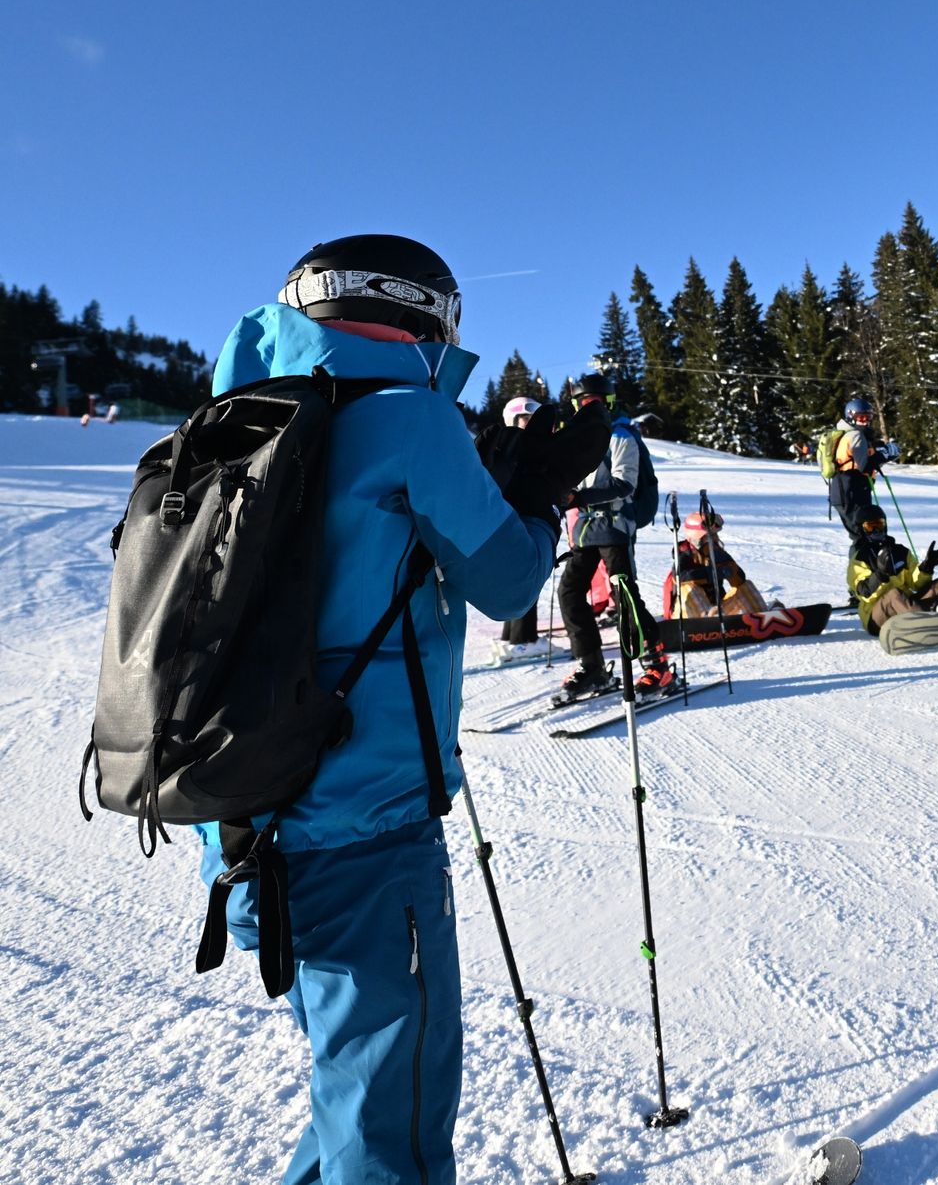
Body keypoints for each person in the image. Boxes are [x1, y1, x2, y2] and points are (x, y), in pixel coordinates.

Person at [201, 234, 583, 1183]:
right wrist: (538, 499)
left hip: (242, 826)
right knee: (389, 1129)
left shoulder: (232, 423)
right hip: (364, 837)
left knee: (355, 1095)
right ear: (425, 316)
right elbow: (508, 582)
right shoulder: (412, 418)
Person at [556, 372, 672, 700]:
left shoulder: (620, 435)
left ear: (608, 403)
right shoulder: (577, 437)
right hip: (585, 530)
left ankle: (657, 666)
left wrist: (579, 497)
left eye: (596, 402)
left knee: (625, 597)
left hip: (615, 526)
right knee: (570, 592)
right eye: (584, 402)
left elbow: (625, 484)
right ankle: (592, 667)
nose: (590, 408)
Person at [846, 504, 938, 633]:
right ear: (861, 529)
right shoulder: (860, 558)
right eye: (870, 527)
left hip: (906, 606)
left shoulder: (900, 552)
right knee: (894, 594)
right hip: (876, 615)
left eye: (879, 525)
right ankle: (927, 624)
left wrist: (927, 566)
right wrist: (880, 575)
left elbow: (916, 584)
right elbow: (864, 593)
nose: (876, 531)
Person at [492, 396, 550, 663]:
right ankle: (524, 640)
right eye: (526, 418)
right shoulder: (516, 447)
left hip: (516, 519)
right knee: (527, 577)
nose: (530, 424)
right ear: (513, 419)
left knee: (518, 577)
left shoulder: (510, 445)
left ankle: (512, 636)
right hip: (520, 520)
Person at [664, 510, 773, 618]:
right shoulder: (685, 554)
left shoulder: (716, 553)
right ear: (697, 539)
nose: (714, 538)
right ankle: (710, 622)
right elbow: (682, 577)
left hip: (716, 611)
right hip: (685, 615)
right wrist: (714, 573)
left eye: (715, 534)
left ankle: (763, 619)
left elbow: (739, 579)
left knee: (744, 586)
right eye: (709, 536)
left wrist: (731, 569)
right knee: (687, 588)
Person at [825, 395, 900, 538]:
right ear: (850, 417)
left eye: (868, 417)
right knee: (865, 537)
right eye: (860, 417)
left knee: (863, 536)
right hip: (852, 492)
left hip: (846, 491)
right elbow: (864, 466)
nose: (865, 421)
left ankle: (867, 553)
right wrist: (885, 454)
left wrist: (882, 454)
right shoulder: (855, 436)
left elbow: (859, 461)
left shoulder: (849, 434)